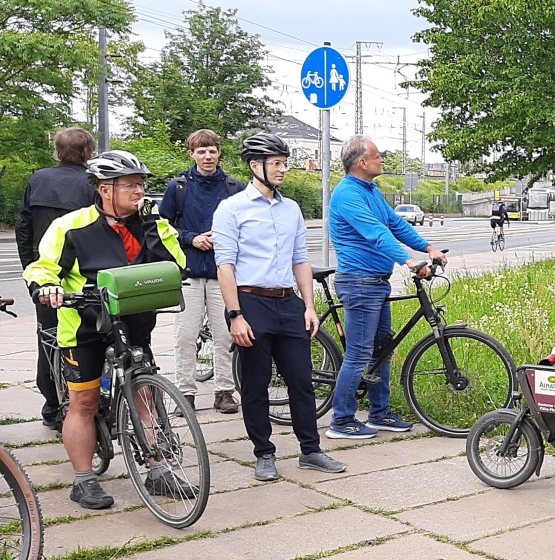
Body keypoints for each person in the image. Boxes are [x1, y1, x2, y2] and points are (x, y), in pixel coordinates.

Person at [23, 150, 196, 509]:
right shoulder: (71, 226)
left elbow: (177, 264)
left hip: (134, 322)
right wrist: (47, 288)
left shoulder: (153, 223)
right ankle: (84, 479)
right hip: (84, 325)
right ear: (105, 189)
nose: (140, 191)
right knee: (83, 401)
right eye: (131, 185)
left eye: (141, 185)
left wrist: (148, 227)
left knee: (145, 395)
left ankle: (158, 468)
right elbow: (42, 267)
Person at [212, 132, 347, 481]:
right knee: (255, 385)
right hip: (251, 302)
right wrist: (235, 314)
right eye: (276, 163)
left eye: (285, 163)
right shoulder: (231, 209)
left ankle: (311, 450)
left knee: (301, 381)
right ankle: (264, 453)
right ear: (255, 166)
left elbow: (300, 259)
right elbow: (224, 265)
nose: (283, 169)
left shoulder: (291, 209)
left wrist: (309, 306)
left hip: (288, 302)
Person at [326, 136, 445, 439]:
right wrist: (409, 262)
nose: (382, 160)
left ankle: (379, 413)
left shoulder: (372, 190)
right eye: (377, 156)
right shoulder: (347, 195)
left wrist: (428, 247)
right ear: (362, 163)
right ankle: (341, 421)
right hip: (359, 283)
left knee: (383, 350)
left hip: (377, 283)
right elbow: (375, 233)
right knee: (359, 354)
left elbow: (395, 225)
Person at [15, 127, 97, 431]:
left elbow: (23, 226)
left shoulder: (38, 180)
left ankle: (52, 405)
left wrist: (32, 270)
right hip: (82, 273)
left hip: (45, 272)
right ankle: (87, 400)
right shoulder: (92, 183)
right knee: (85, 338)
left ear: (57, 151)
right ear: (89, 151)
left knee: (48, 337)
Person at [159, 129, 245, 414]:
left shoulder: (234, 188)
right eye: (201, 151)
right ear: (191, 154)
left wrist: (224, 238)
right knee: (185, 335)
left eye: (212, 150)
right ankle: (186, 393)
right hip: (189, 272)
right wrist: (190, 238)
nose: (207, 156)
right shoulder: (179, 187)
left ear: (220, 153)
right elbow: (162, 226)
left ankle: (224, 391)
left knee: (226, 335)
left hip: (224, 273)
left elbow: (246, 226)